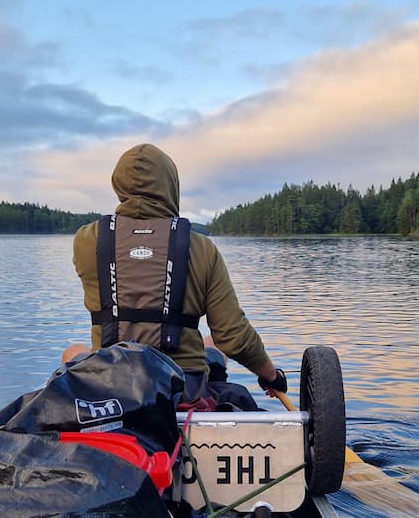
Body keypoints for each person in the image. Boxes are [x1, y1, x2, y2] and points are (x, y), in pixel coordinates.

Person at [71, 143, 286, 405]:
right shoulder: (202, 247)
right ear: (170, 186)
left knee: (74, 352)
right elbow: (233, 337)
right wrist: (270, 375)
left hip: (111, 384)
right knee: (213, 345)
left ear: (119, 185)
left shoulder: (86, 240)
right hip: (183, 387)